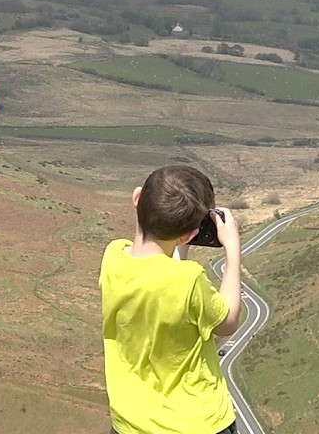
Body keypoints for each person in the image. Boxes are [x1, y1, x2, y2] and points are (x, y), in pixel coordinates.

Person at [99, 165, 242, 434]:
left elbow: (159, 283)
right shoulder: (189, 280)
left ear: (137, 198)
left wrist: (180, 242)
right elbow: (227, 322)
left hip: (131, 424)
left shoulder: (112, 256)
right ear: (190, 233)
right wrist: (233, 250)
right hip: (196, 424)